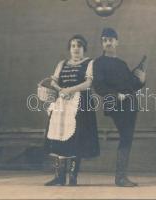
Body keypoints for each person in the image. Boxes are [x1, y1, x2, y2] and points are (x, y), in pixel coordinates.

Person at [91, 28, 146, 187]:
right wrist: (116, 95)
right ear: (102, 43)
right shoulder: (98, 63)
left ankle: (121, 177)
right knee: (126, 136)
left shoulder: (122, 64)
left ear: (117, 42)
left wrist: (141, 80)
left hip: (130, 104)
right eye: (105, 40)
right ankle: (120, 178)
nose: (108, 42)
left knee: (127, 137)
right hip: (115, 104)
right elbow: (99, 86)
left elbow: (131, 85)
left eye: (111, 39)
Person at [44, 34, 100, 186]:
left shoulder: (90, 63)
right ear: (69, 49)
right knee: (57, 138)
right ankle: (59, 177)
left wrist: (71, 90)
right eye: (73, 46)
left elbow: (88, 83)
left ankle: (73, 176)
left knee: (77, 139)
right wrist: (61, 89)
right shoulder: (62, 64)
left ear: (84, 49)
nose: (76, 49)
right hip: (62, 104)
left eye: (79, 46)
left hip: (80, 104)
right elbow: (53, 82)